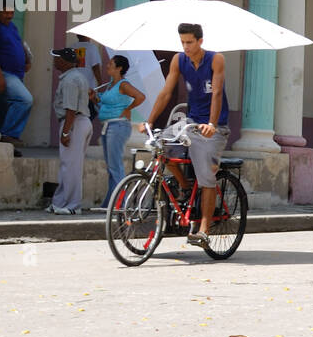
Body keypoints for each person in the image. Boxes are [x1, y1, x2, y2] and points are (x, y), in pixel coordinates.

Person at [141, 23, 230, 249]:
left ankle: (204, 230)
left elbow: (217, 93)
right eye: (182, 42)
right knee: (160, 145)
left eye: (190, 42)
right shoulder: (179, 60)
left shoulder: (216, 59)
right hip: (190, 122)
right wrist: (150, 121)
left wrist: (212, 123)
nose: (186, 47)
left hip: (213, 126)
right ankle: (185, 185)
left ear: (200, 41)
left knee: (207, 177)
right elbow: (166, 92)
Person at [46, 46, 93, 215]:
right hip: (80, 122)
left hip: (74, 123)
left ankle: (73, 206)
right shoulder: (77, 76)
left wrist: (66, 132)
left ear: (64, 61)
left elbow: (71, 109)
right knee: (68, 165)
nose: (54, 60)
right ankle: (59, 202)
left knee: (71, 167)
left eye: (56, 57)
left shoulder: (70, 80)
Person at [93, 55, 145, 204]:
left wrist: (128, 109)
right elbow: (105, 101)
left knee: (115, 166)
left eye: (110, 63)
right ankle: (110, 202)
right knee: (111, 166)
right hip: (108, 126)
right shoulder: (110, 84)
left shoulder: (123, 85)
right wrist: (94, 96)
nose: (107, 65)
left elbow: (140, 97)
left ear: (119, 68)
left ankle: (122, 203)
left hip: (118, 126)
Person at [0, 0, 32, 154]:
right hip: (5, 74)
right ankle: (9, 134)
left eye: (11, 12)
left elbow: (20, 44)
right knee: (25, 99)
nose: (9, 15)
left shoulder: (12, 26)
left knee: (6, 110)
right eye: (5, 12)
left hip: (17, 74)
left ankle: (5, 148)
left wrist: (27, 59)